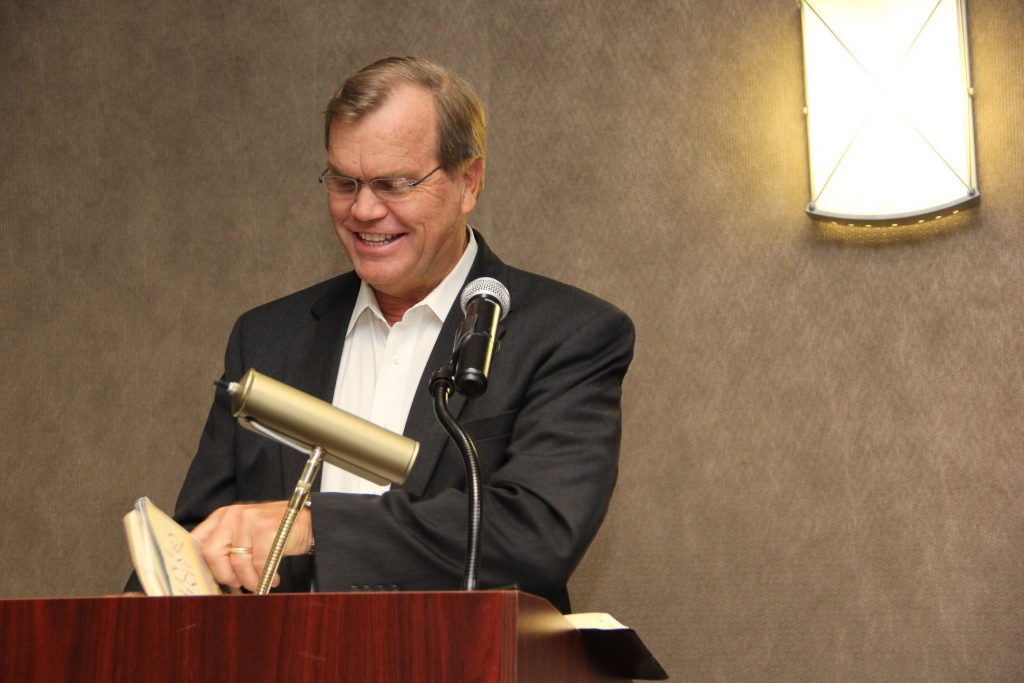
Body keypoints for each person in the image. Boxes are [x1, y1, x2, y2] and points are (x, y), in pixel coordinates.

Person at [129, 56, 634, 613]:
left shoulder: (569, 333)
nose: (364, 210)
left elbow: (535, 535)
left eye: (394, 184)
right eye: (345, 182)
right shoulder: (267, 337)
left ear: (469, 182)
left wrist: (313, 526)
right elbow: (198, 539)